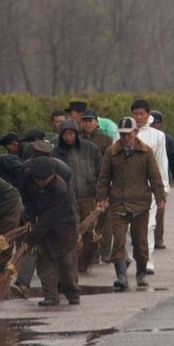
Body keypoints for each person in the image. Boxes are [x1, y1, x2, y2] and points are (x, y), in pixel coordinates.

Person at [97, 117, 166, 291]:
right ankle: (121, 276)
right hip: (118, 203)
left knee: (140, 242)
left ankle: (141, 273)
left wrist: (160, 197)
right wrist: (101, 198)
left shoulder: (146, 152)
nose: (126, 138)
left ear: (135, 133)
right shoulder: (111, 152)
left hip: (140, 204)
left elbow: (154, 176)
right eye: (122, 134)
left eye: (129, 134)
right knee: (118, 241)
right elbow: (104, 177)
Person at [19, 157, 80, 306]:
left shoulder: (60, 188)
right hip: (42, 222)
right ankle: (50, 295)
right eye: (38, 179)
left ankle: (72, 293)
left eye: (44, 179)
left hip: (63, 224)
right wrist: (31, 218)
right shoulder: (27, 178)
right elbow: (26, 199)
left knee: (66, 262)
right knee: (45, 260)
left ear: (52, 175)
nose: (40, 182)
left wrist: (28, 240)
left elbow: (48, 219)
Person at [125, 99, 169, 274]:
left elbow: (161, 163)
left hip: (148, 187)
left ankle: (147, 260)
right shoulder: (122, 134)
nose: (138, 117)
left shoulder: (157, 136)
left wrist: (162, 190)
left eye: (142, 113)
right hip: (126, 188)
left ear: (148, 115)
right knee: (127, 227)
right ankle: (128, 257)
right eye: (135, 113)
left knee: (148, 226)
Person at [53, 118, 102, 272]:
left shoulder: (91, 149)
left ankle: (86, 261)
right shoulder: (55, 153)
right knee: (73, 232)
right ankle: (74, 263)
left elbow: (100, 171)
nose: (69, 137)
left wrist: (101, 194)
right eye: (65, 134)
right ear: (61, 135)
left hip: (89, 196)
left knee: (90, 232)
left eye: (71, 134)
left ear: (76, 133)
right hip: (68, 199)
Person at [81, 108, 114, 262]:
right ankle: (92, 254)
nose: (87, 124)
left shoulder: (106, 140)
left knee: (105, 220)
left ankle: (106, 253)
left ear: (96, 122)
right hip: (83, 186)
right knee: (89, 221)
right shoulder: (78, 139)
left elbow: (109, 164)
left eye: (90, 121)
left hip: (101, 182)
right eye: (85, 121)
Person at [150, 109, 174, 249]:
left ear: (160, 124)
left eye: (156, 123)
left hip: (160, 179)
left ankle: (158, 239)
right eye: (152, 123)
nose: (154, 125)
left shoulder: (166, 139)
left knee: (159, 210)